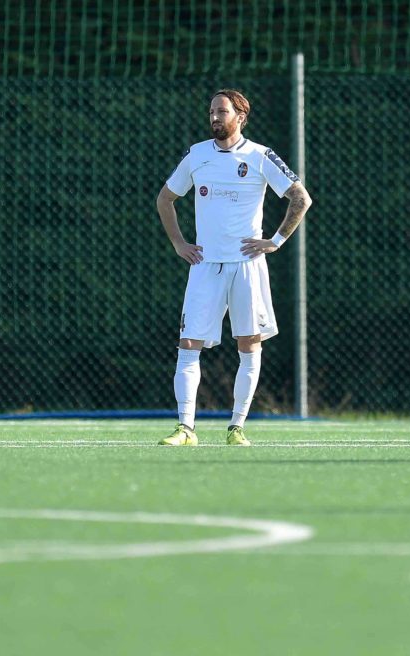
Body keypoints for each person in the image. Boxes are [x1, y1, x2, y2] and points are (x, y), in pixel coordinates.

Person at [155, 89, 312, 446]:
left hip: (247, 266)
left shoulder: (260, 155)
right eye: (212, 111)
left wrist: (276, 240)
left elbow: (301, 198)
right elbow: (165, 198)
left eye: (222, 112)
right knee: (188, 342)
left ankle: (236, 427)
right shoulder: (197, 154)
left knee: (249, 344)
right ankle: (185, 428)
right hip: (205, 264)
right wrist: (179, 243)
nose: (214, 117)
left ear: (240, 117)